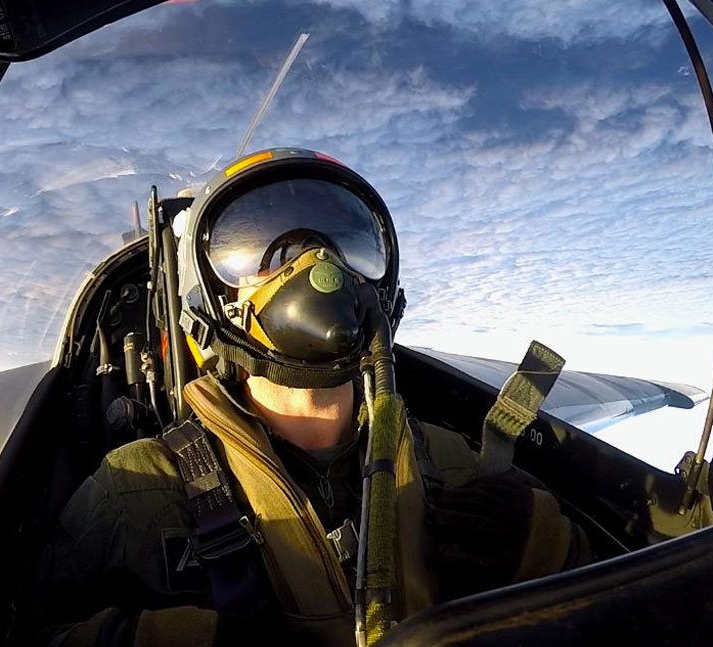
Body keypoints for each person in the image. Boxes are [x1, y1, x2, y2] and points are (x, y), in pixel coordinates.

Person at [34, 149, 590, 646]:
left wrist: (549, 550)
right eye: (260, 251)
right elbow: (25, 628)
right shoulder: (135, 490)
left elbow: (607, 601)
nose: (317, 266)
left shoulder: (452, 465)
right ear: (211, 301)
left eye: (340, 244)